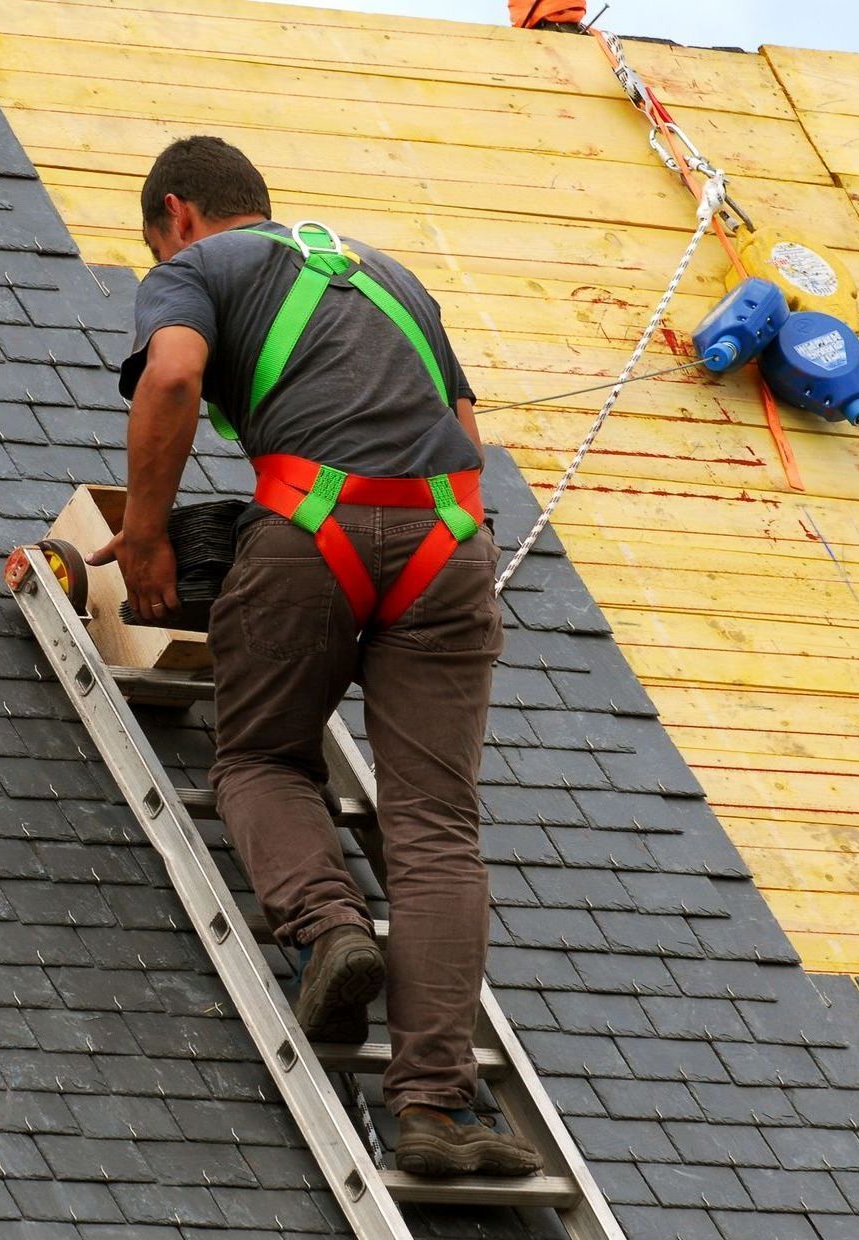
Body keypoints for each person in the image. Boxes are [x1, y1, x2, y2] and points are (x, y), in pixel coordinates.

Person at [94, 135, 540, 1178]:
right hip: (448, 541)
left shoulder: (194, 271)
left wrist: (150, 534)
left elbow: (170, 377)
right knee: (435, 826)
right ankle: (436, 1103)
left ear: (177, 214)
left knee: (258, 756)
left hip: (313, 525)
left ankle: (328, 922)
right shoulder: (390, 275)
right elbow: (463, 429)